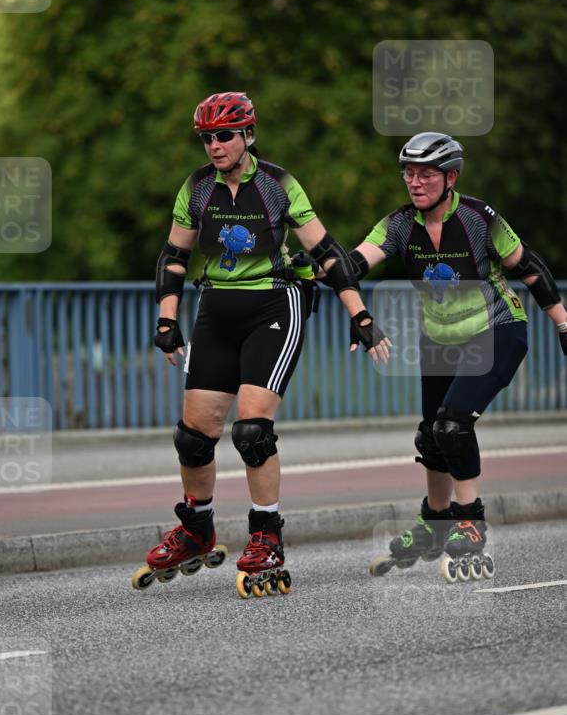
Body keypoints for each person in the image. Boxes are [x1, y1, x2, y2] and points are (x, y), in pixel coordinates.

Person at [139, 90, 389, 596]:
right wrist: (167, 322)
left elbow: (327, 252)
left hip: (275, 305)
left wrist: (359, 315)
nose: (214, 145)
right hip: (216, 309)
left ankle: (266, 536)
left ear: (248, 135)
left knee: (251, 432)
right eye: (207, 138)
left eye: (224, 136)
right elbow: (172, 257)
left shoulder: (279, 185)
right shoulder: (196, 188)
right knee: (193, 436)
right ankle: (197, 527)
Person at [351, 132, 567, 580]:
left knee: (452, 424)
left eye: (426, 174)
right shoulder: (397, 225)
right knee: (431, 436)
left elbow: (529, 267)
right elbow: (354, 263)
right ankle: (435, 520)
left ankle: (470, 521)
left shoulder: (477, 218)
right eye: (409, 173)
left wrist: (563, 322)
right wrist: (317, 268)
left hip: (497, 330)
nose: (415, 182)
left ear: (450, 177)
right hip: (441, 339)